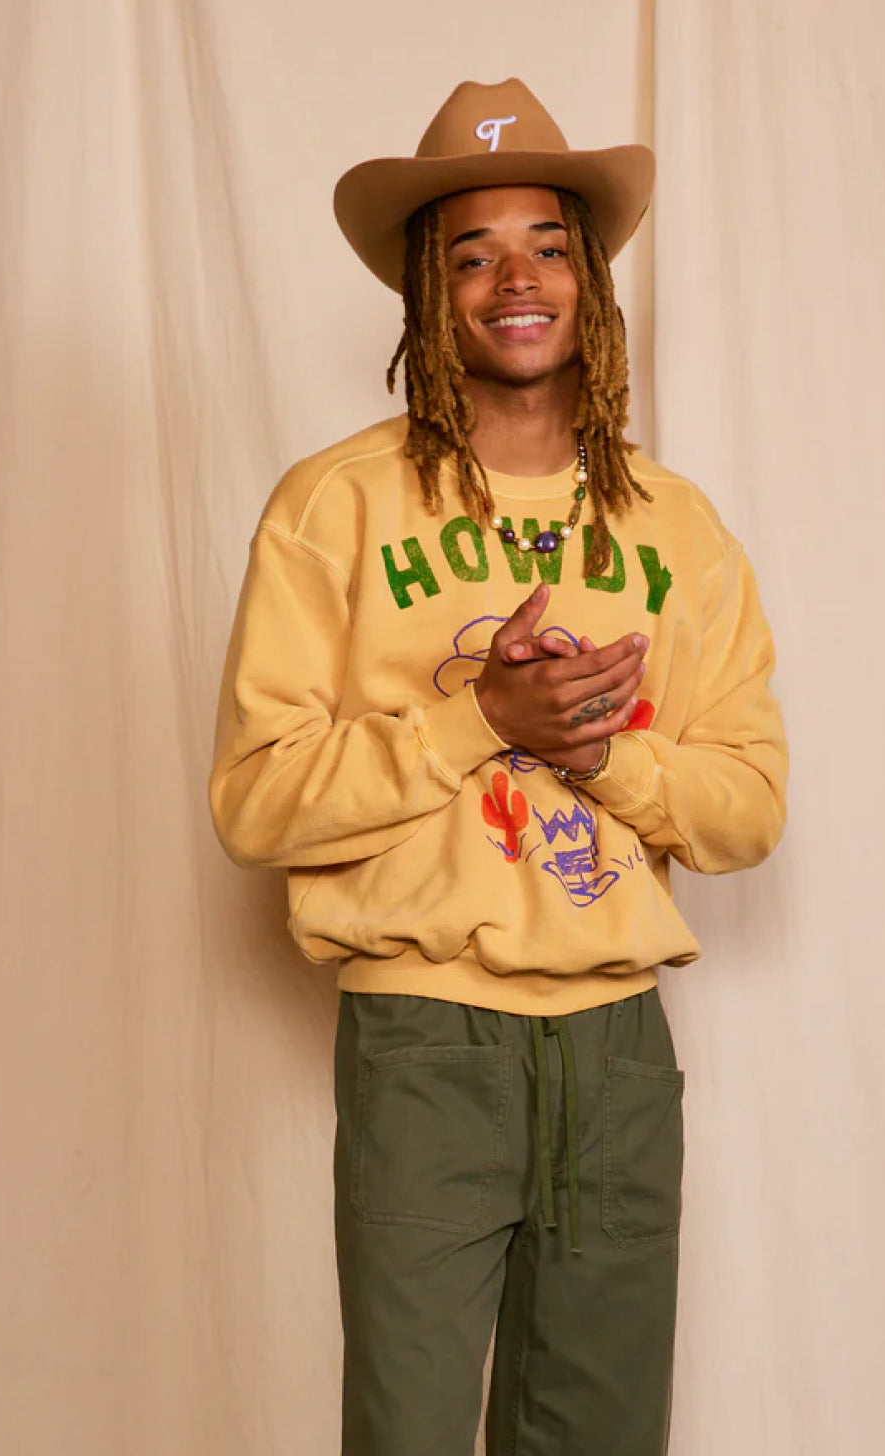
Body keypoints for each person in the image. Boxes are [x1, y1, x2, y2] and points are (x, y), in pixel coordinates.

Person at [209, 77, 788, 1456]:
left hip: (617, 1046)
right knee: (408, 1431)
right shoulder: (335, 505)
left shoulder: (676, 527)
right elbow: (256, 799)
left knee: (601, 1433)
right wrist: (481, 720)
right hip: (425, 1039)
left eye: (543, 245)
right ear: (428, 291)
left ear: (588, 278)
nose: (511, 279)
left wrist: (596, 753)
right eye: (469, 254)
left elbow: (750, 804)